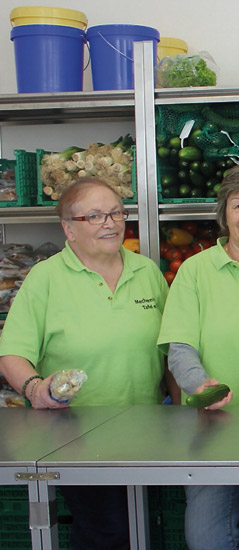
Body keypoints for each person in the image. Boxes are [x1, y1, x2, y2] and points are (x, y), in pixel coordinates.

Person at [0, 177, 171, 550]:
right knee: (106, 532)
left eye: (115, 213)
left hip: (147, 431)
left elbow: (171, 350)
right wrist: (35, 389)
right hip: (77, 435)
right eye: (94, 216)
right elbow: (12, 352)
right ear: (68, 228)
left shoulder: (147, 272)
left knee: (145, 528)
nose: (109, 223)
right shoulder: (45, 279)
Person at [157, 165, 239, 550]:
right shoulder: (195, 271)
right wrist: (201, 385)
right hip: (210, 428)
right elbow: (179, 348)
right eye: (238, 205)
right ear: (224, 213)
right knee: (206, 538)